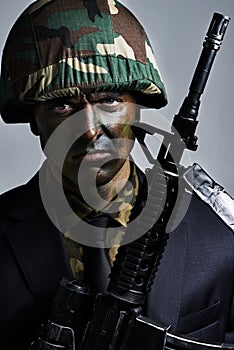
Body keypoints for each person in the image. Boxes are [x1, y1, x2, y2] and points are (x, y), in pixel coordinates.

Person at [0, 0, 233, 349]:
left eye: (109, 100)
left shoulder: (217, 243)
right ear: (34, 119)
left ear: (137, 108)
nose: (90, 130)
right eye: (61, 105)